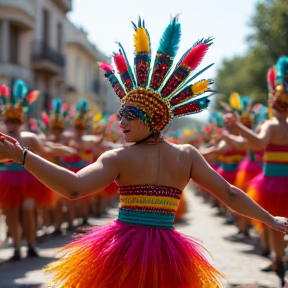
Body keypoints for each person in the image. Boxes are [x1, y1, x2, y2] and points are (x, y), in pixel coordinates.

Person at [0, 17, 288, 288]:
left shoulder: (119, 158)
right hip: (169, 255)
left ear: (151, 120)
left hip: (121, 252)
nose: (120, 121)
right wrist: (270, 220)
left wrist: (21, 156)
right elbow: (230, 195)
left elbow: (73, 188)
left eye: (129, 115)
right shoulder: (186, 155)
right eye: (121, 113)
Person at [224, 56, 288, 287]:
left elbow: (259, 144)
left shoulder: (270, 126)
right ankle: (279, 259)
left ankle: (278, 260)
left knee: (277, 226)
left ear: (273, 103)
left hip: (272, 182)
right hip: (281, 180)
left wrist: (238, 127)